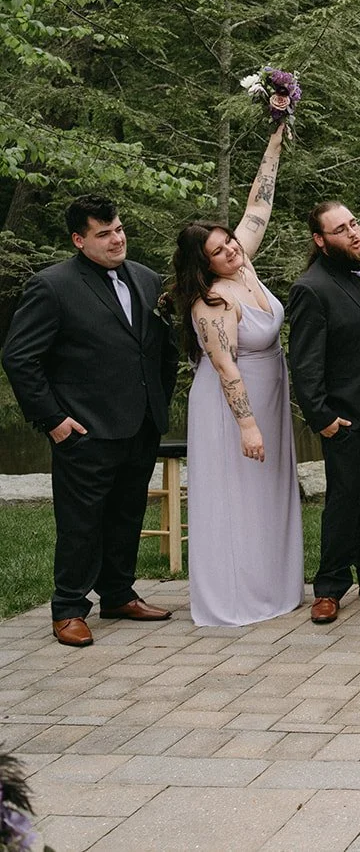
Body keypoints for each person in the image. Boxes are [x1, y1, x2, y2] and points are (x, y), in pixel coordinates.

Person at [3, 195, 179, 646]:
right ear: (79, 241)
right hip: (83, 430)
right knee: (81, 522)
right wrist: (55, 420)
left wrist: (157, 402)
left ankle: (118, 593)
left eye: (118, 228)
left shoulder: (146, 278)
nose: (116, 239)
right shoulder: (52, 286)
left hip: (141, 424)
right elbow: (20, 358)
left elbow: (160, 348)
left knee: (127, 513)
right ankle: (68, 607)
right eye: (103, 234)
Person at [173, 123, 302, 627]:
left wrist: (274, 142)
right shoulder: (213, 300)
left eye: (231, 244)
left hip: (270, 390)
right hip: (233, 404)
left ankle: (272, 585)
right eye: (220, 252)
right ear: (203, 266)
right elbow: (225, 366)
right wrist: (247, 424)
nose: (232, 251)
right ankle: (234, 597)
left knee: (266, 491)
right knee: (236, 494)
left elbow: (258, 207)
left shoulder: (243, 265)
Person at [287, 201, 360, 624]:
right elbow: (305, 363)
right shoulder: (311, 288)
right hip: (345, 417)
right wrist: (323, 418)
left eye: (354, 223)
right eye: (341, 229)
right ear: (320, 241)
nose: (354, 232)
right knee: (343, 502)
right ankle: (330, 586)